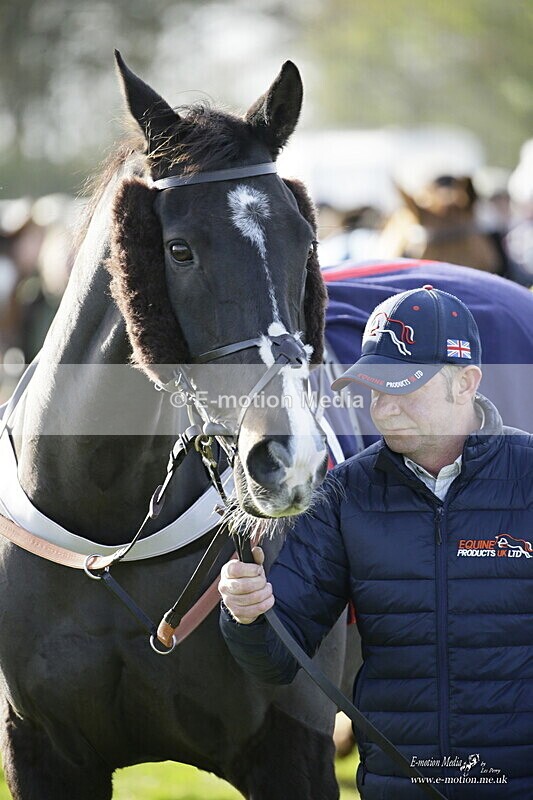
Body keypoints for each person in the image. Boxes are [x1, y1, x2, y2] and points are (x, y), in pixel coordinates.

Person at [218, 285, 533, 799]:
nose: (381, 408)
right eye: (372, 387)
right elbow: (277, 658)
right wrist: (248, 616)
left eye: (401, 385)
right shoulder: (346, 493)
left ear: (465, 383)